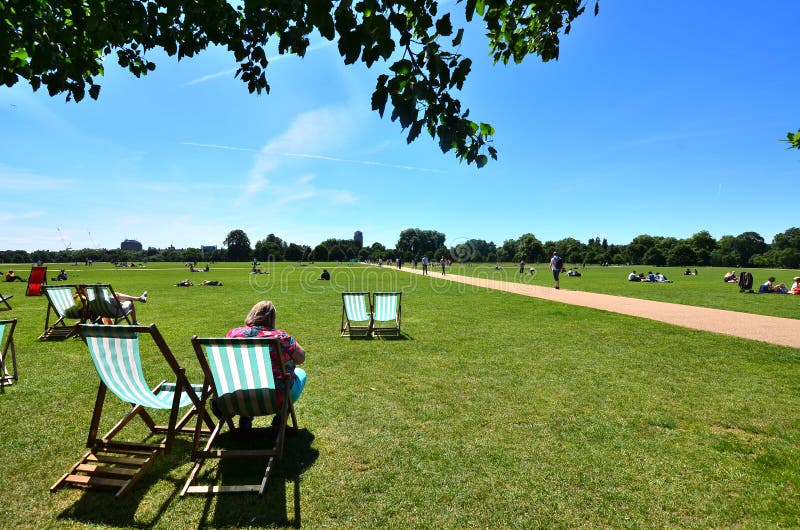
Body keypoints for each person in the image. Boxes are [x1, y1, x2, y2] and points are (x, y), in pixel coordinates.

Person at [226, 301, 307, 430]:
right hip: (275, 397)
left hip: (239, 395)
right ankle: (281, 419)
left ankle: (246, 416)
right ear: (272, 318)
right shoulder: (281, 337)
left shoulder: (233, 334)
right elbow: (301, 358)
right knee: (300, 373)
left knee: (249, 376)